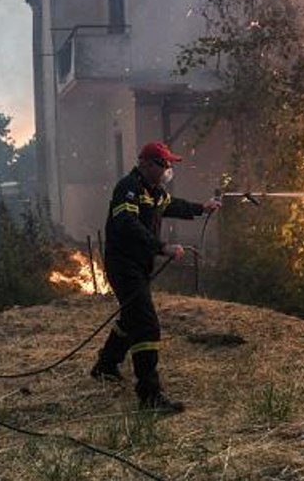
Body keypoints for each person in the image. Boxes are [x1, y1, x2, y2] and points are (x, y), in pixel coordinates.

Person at [90, 141, 221, 413]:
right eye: (164, 164)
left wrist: (202, 208)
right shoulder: (128, 188)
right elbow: (128, 224)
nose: (168, 169)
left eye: (169, 164)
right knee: (146, 325)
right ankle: (149, 396)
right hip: (123, 265)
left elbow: (174, 206)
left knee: (131, 316)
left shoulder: (155, 193)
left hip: (139, 265)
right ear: (147, 164)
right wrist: (162, 247)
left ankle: (106, 365)